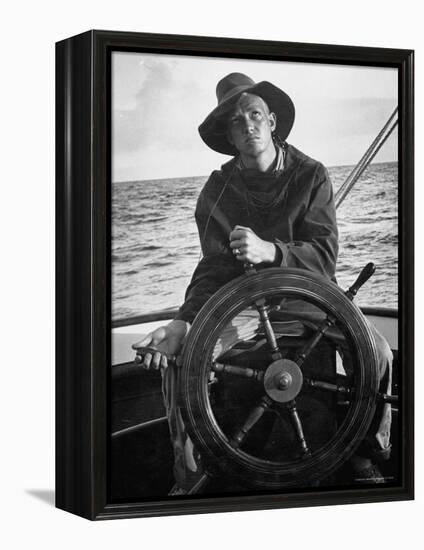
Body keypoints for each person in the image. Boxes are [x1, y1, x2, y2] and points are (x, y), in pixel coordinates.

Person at [133, 73, 392, 494]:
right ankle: (190, 475)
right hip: (246, 309)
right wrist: (182, 323)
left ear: (272, 121)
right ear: (229, 135)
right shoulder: (217, 190)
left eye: (254, 114)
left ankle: (370, 450)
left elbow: (324, 258)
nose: (247, 125)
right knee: (181, 362)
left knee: (378, 353)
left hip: (308, 299)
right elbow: (212, 271)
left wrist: (271, 251)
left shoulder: (312, 175)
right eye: (236, 121)